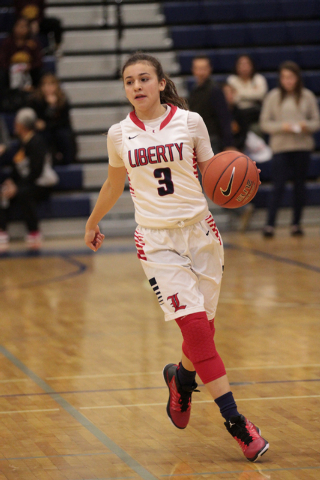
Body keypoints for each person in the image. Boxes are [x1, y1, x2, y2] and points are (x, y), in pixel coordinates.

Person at [84, 52, 269, 462]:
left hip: (202, 234)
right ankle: (239, 425)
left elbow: (215, 172)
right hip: (156, 241)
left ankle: (182, 381)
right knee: (198, 333)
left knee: (204, 332)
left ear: (162, 82)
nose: (137, 86)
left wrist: (237, 184)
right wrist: (93, 221)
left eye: (144, 78)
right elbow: (115, 183)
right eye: (129, 81)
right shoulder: (119, 135)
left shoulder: (190, 122)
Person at [260, 61, 320, 237]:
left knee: (299, 187)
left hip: (302, 147)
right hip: (281, 148)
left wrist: (304, 125)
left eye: (291, 77)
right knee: (277, 186)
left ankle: (296, 223)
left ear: (297, 78)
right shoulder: (273, 96)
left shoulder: (307, 96)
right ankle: (270, 224)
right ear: (280, 79)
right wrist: (283, 126)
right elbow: (265, 123)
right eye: (284, 77)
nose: (288, 81)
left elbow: (316, 122)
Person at [0, 108, 58, 252]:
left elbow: (36, 172)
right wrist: (11, 182)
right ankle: (2, 230)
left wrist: (17, 187)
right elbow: (17, 167)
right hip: (28, 182)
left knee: (23, 193)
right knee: (4, 192)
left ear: (22, 125)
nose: (14, 125)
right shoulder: (22, 142)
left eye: (16, 123)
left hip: (42, 183)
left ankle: (34, 231)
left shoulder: (37, 142)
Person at [188, 55, 234, 153]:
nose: (201, 72)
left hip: (212, 139)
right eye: (198, 69)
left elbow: (224, 117)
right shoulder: (194, 90)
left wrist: (228, 144)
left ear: (209, 69)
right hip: (197, 138)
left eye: (203, 69)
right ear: (193, 70)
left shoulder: (215, 90)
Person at [29, 73, 77, 164]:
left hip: (58, 129)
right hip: (45, 132)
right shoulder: (36, 101)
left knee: (65, 135)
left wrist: (53, 107)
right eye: (45, 85)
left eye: (51, 84)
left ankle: (67, 160)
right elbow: (38, 121)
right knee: (42, 136)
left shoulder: (63, 101)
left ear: (56, 86)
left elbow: (63, 121)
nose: (47, 88)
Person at [0, 17, 43, 112]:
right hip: (10, 73)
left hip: (30, 72)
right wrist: (13, 68)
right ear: (14, 28)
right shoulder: (7, 43)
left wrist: (30, 67)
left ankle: (37, 97)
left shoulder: (33, 43)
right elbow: (2, 61)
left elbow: (39, 61)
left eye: (24, 27)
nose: (22, 29)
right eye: (20, 26)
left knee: (42, 73)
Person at [227, 55, 268, 130]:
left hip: (256, 111)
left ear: (252, 65)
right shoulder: (232, 80)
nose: (244, 67)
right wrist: (252, 93)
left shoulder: (259, 79)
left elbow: (261, 95)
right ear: (237, 66)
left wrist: (240, 94)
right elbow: (232, 99)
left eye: (247, 64)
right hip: (238, 111)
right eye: (241, 64)